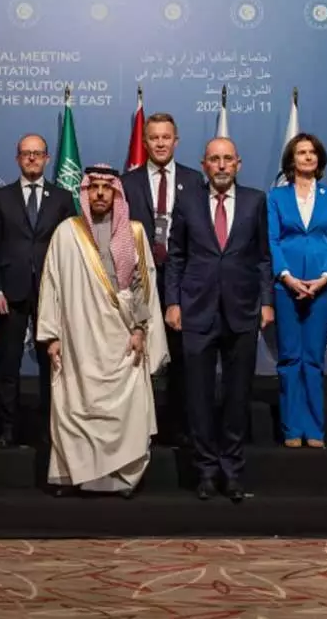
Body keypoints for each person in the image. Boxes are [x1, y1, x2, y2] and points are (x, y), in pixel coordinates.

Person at [38, 165, 165, 497]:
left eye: (106, 188)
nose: (99, 193)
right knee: (76, 403)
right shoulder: (67, 233)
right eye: (92, 187)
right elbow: (51, 284)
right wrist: (52, 335)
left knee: (124, 407)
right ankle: (74, 474)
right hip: (78, 336)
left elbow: (141, 286)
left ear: (116, 193)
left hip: (122, 334)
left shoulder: (134, 232)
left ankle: (121, 477)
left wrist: (140, 330)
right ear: (84, 191)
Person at [164, 137, 272, 504]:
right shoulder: (188, 201)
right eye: (215, 159)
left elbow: (263, 258)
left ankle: (232, 471)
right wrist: (173, 302)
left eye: (228, 159)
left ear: (238, 164)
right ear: (204, 165)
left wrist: (267, 302)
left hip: (242, 311)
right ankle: (206, 471)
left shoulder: (256, 200)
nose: (222, 165)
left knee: (237, 396)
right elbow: (176, 256)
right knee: (198, 396)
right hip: (197, 310)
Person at [0, 133, 76, 450]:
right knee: (8, 365)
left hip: (51, 293)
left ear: (47, 158)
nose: (31, 158)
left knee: (51, 366)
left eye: (37, 153)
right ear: (17, 158)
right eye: (26, 153)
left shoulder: (62, 198)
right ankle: (8, 428)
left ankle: (49, 429)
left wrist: (66, 293)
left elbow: (71, 249)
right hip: (10, 293)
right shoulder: (0, 197)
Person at [122, 113, 204, 445]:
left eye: (166, 137)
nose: (160, 143)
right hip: (139, 279)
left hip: (183, 280)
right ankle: (138, 428)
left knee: (182, 358)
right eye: (154, 137)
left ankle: (180, 429)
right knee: (137, 355)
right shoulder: (127, 183)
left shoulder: (195, 180)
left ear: (176, 141)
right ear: (144, 142)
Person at [267, 133, 327, 449]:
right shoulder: (276, 196)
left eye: (313, 152)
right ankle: (291, 428)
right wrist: (287, 277)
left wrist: (324, 277)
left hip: (322, 287)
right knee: (290, 358)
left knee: (313, 358)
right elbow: (272, 239)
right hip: (286, 285)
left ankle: (314, 428)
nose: (308, 157)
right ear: (291, 159)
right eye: (301, 152)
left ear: (319, 159)